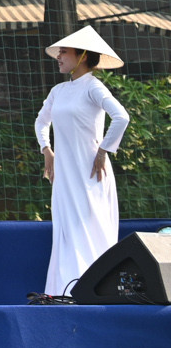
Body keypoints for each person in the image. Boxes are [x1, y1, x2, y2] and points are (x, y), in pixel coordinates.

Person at [35, 25, 132, 297]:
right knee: (67, 231)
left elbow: (121, 117)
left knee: (91, 229)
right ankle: (64, 293)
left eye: (64, 52)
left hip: (91, 173)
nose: (59, 56)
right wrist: (47, 151)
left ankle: (93, 292)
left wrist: (103, 151)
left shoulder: (93, 87)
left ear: (82, 56)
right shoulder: (58, 91)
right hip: (65, 174)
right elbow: (41, 122)